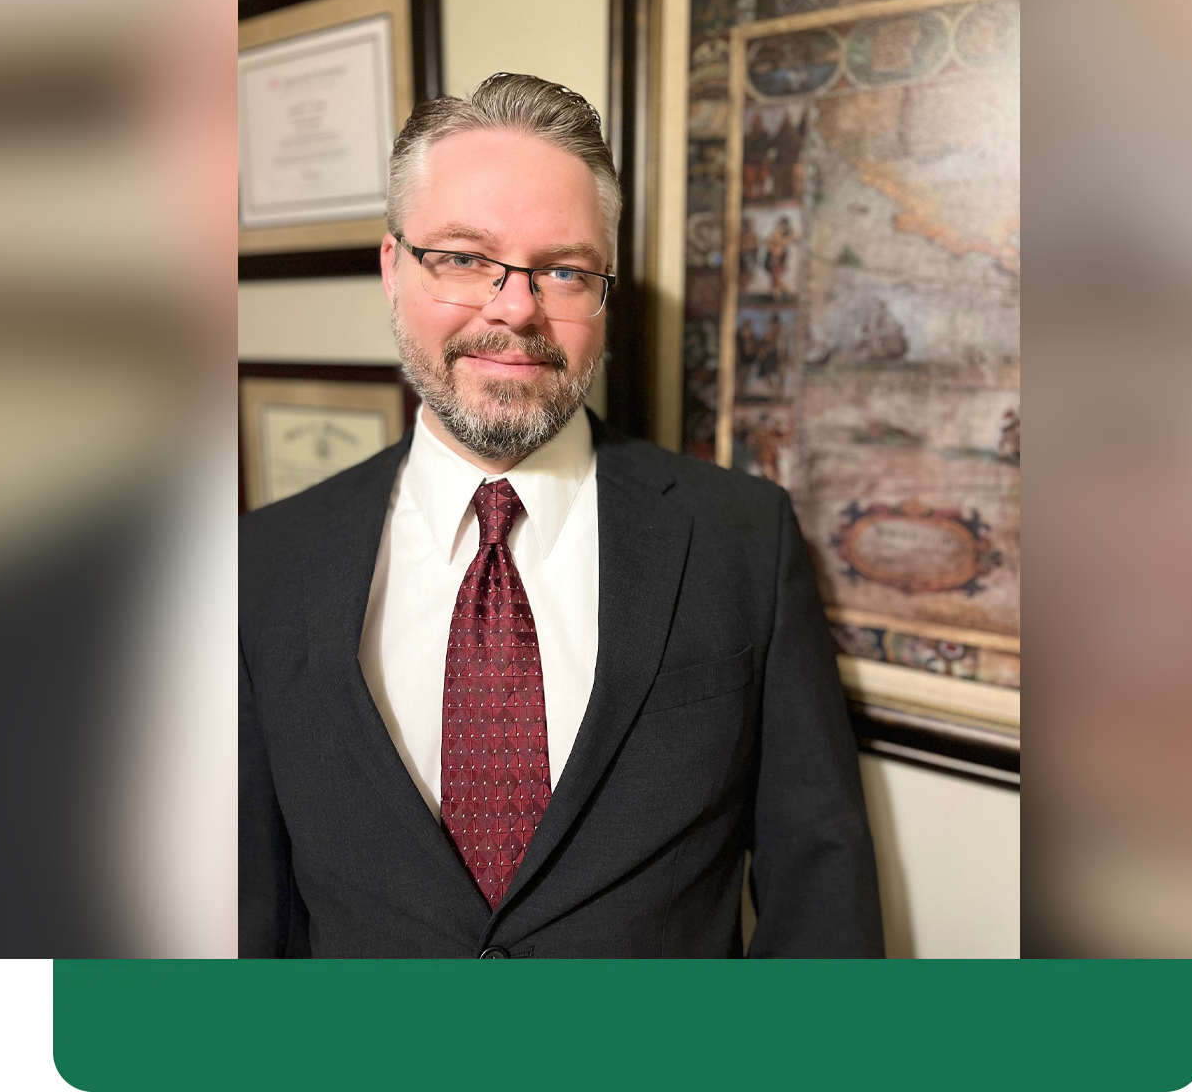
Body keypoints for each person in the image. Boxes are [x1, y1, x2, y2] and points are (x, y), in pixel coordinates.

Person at [239, 73, 884, 958]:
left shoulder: (743, 539)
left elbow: (822, 886)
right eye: (464, 257)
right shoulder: (263, 564)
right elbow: (247, 910)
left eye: (565, 270)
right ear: (393, 269)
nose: (515, 308)